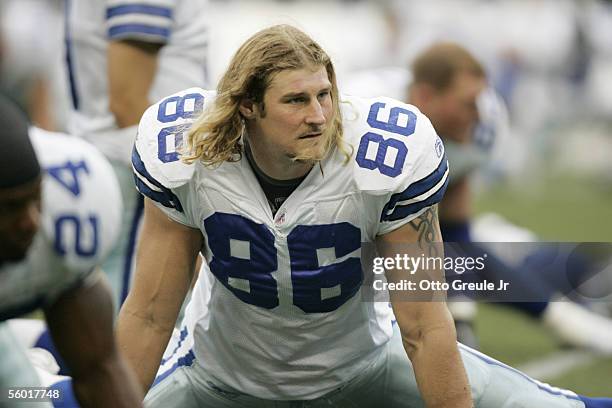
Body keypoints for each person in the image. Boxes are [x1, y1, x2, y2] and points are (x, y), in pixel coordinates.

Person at [112, 24, 612, 407]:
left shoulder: (383, 156)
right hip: (218, 371)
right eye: (296, 100)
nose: (319, 116)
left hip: (364, 360)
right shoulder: (189, 153)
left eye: (324, 95)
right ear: (246, 106)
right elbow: (151, 313)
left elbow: (423, 326)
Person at [343, 42, 612, 354]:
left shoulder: (483, 127)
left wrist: (462, 307)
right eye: (468, 103)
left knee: (461, 256)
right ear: (425, 97)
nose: (478, 114)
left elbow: (457, 235)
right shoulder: (361, 116)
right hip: (336, 237)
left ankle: (573, 298)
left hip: (397, 235)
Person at [0, 97, 143, 407]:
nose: (30, 223)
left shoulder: (68, 215)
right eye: (11, 207)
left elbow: (99, 371)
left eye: (36, 199)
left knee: (28, 398)